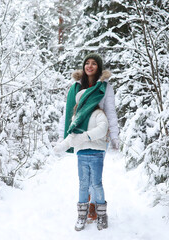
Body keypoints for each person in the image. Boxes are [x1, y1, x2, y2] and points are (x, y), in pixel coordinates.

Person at [56, 53, 119, 231]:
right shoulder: (75, 87)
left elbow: (111, 112)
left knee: (95, 178)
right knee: (85, 178)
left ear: (98, 68)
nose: (90, 66)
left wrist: (114, 136)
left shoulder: (105, 88)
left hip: (98, 136)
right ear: (84, 67)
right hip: (79, 138)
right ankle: (90, 204)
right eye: (87, 63)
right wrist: (65, 138)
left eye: (94, 64)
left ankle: (94, 206)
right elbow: (68, 113)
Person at [54, 89, 109, 231]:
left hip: (96, 153)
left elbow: (103, 129)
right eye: (81, 101)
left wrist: (85, 136)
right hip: (82, 155)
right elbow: (72, 137)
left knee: (96, 184)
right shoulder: (77, 118)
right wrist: (62, 146)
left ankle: (102, 215)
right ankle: (81, 216)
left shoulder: (98, 114)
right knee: (83, 185)